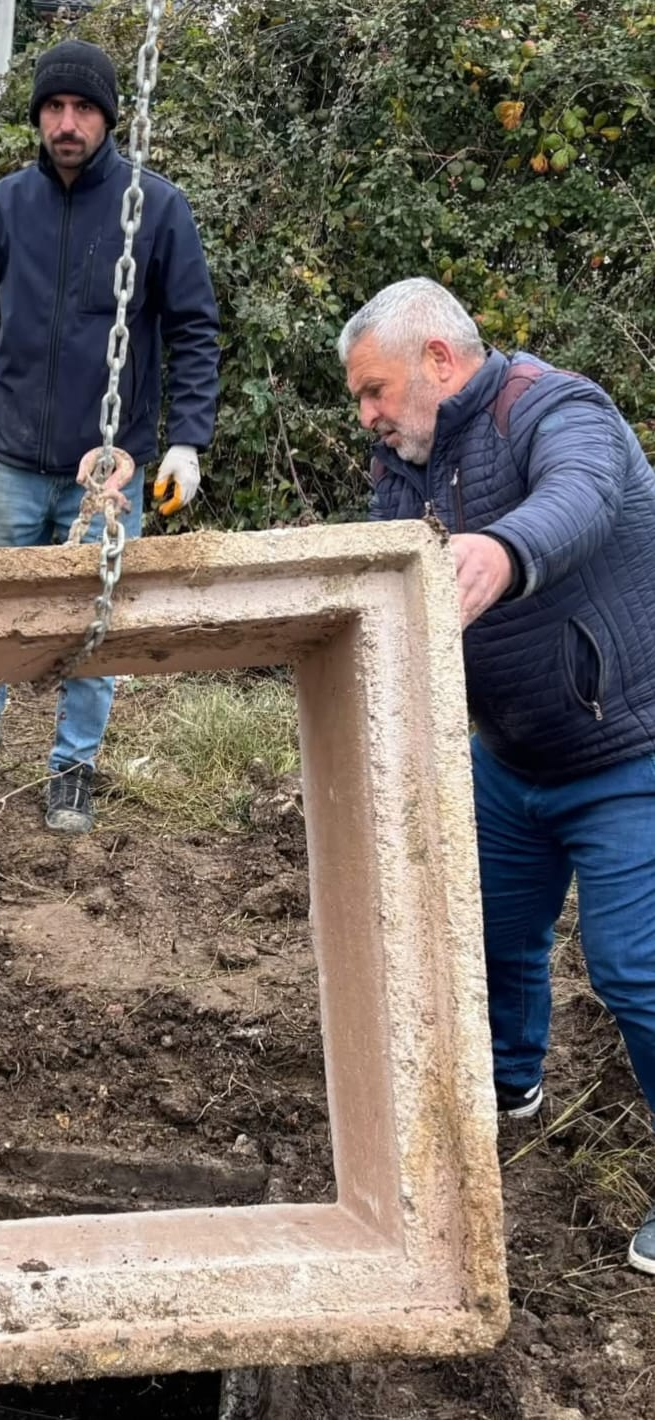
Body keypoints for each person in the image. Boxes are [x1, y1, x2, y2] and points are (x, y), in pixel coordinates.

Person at [338, 276, 655, 1275]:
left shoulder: (552, 407)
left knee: (634, 968)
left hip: (630, 754)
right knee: (485, 931)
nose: (370, 416)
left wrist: (504, 551)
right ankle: (511, 1082)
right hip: (510, 756)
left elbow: (586, 492)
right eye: (360, 401)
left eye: (376, 390)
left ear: (439, 358)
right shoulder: (404, 460)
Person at [0, 37, 220, 834]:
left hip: (107, 469)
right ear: (39, 117)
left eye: (84, 108)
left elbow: (192, 329)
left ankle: (74, 766)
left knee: (97, 621)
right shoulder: (7, 206)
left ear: (109, 118)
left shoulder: (158, 208)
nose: (69, 122)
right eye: (55, 107)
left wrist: (185, 440)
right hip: (10, 454)